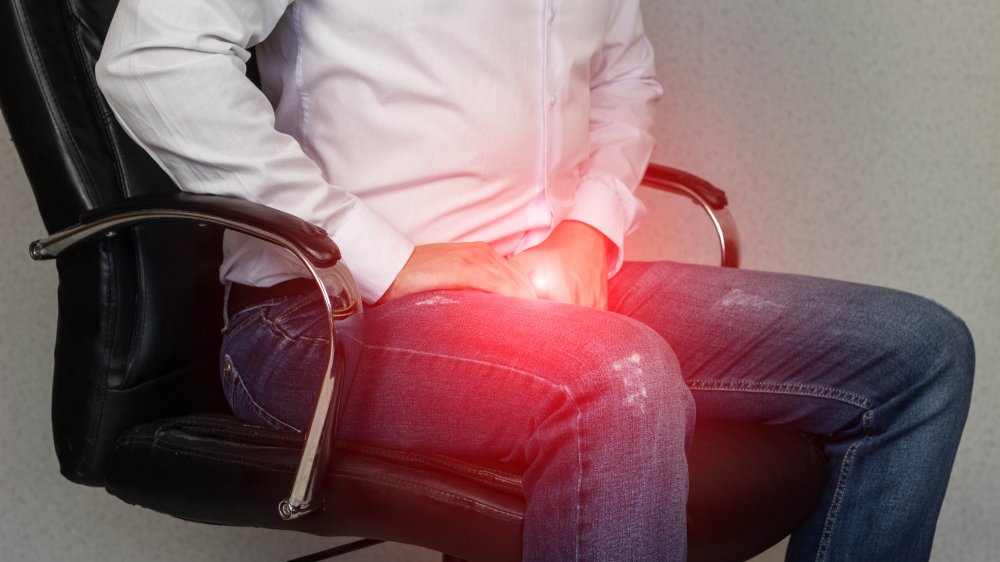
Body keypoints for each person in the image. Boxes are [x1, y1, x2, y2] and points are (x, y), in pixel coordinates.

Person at [95, 1, 974, 560]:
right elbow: (152, 62)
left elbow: (628, 77)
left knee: (917, 356)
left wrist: (590, 228)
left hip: (538, 283)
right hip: (327, 316)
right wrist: (383, 255)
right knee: (615, 380)